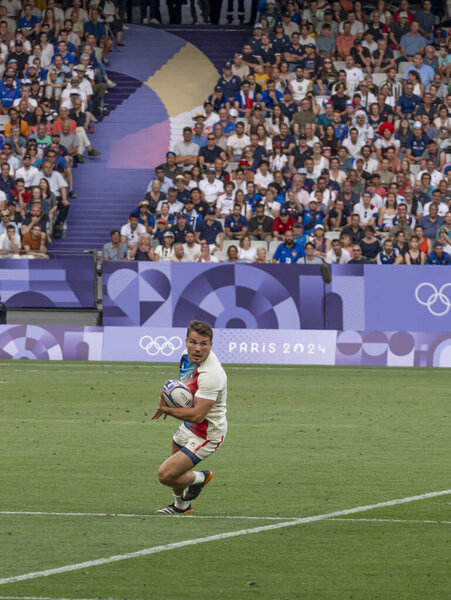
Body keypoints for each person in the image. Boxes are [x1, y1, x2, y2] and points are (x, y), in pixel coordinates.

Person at [153, 320, 227, 515]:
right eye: (193, 342)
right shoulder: (185, 356)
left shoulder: (212, 374)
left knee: (166, 475)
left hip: (206, 432)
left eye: (203, 344)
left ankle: (200, 478)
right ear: (186, 341)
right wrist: (165, 398)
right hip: (189, 426)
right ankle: (181, 507)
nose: (197, 348)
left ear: (211, 345)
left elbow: (197, 415)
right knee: (176, 472)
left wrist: (167, 410)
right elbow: (183, 389)